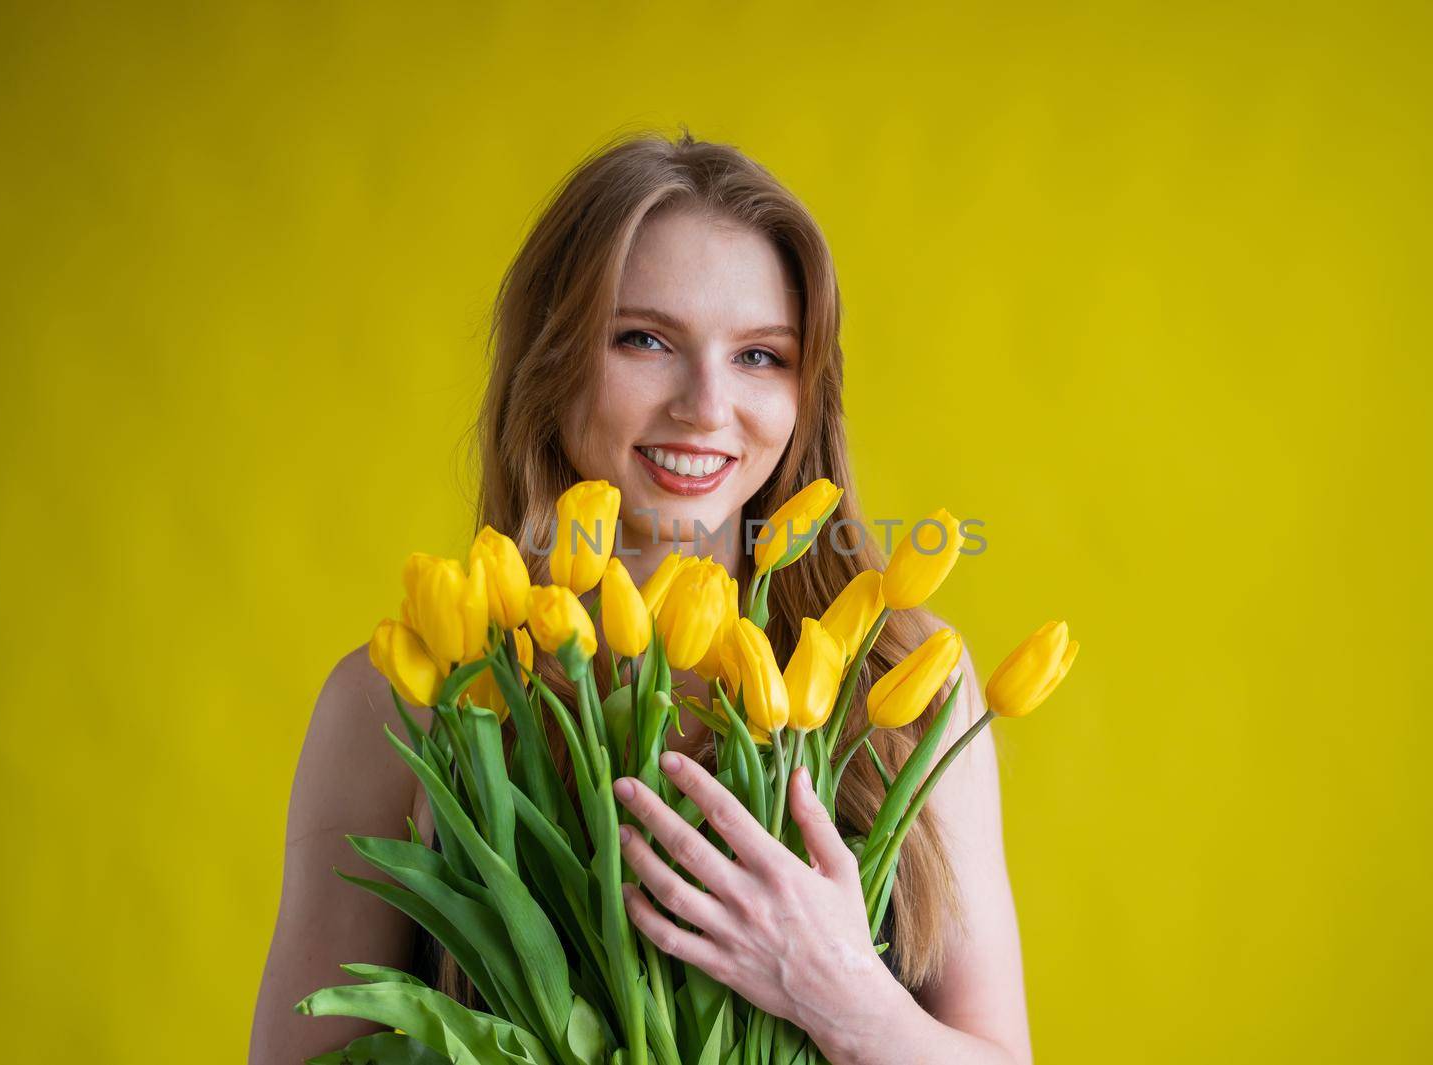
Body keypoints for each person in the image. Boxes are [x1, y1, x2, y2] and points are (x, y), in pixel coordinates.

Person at [250, 129, 1032, 1065]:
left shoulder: (903, 672)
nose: (706, 405)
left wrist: (850, 999)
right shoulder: (407, 700)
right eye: (644, 339)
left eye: (760, 356)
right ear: (551, 362)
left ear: (805, 392)